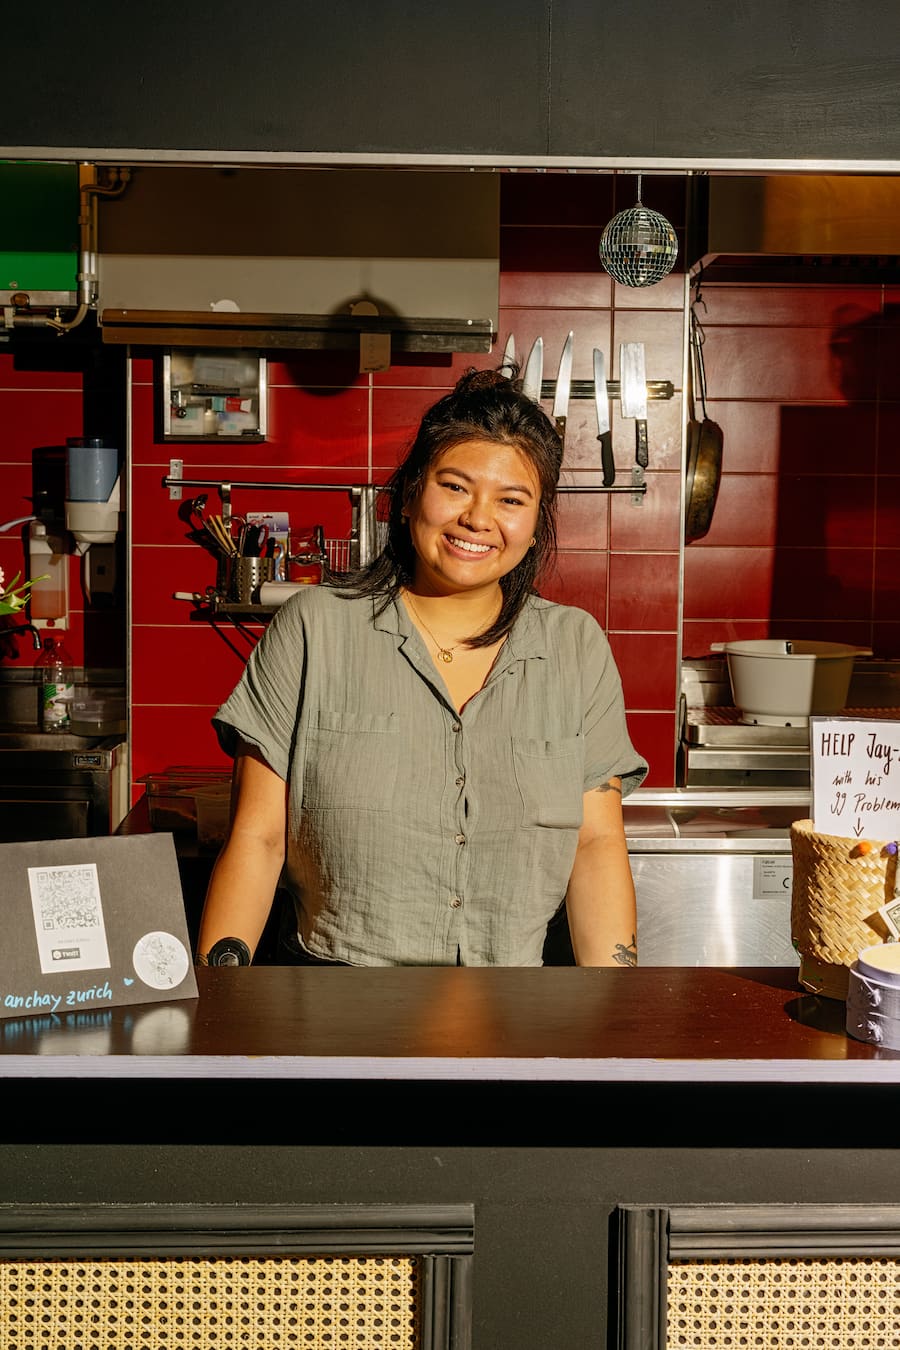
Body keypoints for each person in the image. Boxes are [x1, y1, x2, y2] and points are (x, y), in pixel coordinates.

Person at [196, 367, 648, 968]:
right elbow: (258, 838)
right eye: (455, 487)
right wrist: (219, 1019)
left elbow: (594, 844)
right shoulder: (315, 629)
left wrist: (614, 1016)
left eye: (512, 500)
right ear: (410, 494)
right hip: (335, 1010)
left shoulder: (574, 646)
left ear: (537, 523)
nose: (478, 518)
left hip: (516, 1013)